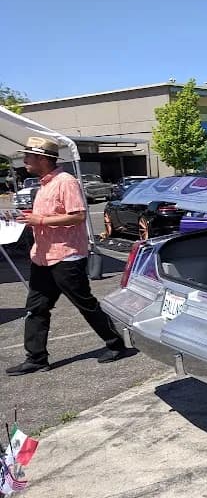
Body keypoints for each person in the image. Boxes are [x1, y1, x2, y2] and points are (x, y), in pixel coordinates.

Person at [6, 137, 133, 376]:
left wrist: (40, 220)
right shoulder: (43, 185)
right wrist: (27, 217)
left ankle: (116, 344)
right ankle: (36, 358)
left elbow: (78, 216)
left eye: (29, 156)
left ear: (43, 159)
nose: (25, 161)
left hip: (67, 256)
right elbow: (49, 215)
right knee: (35, 308)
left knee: (84, 303)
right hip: (43, 257)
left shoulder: (66, 182)